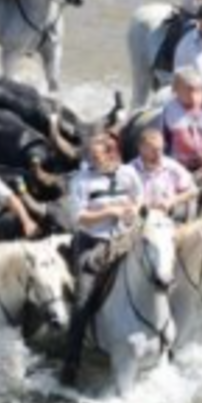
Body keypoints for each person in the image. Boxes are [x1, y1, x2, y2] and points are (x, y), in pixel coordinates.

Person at [61, 132, 142, 386]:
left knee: (159, 272)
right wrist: (109, 211)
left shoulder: (129, 173)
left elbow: (139, 197)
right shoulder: (80, 180)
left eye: (97, 156)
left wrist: (133, 210)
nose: (91, 160)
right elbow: (78, 218)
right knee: (82, 299)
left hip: (128, 237)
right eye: (90, 156)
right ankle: (71, 363)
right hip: (93, 243)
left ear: (112, 153)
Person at [130, 128, 197, 219]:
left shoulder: (171, 166)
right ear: (141, 149)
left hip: (168, 218)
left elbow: (193, 190)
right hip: (139, 220)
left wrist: (172, 200)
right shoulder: (129, 171)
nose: (158, 154)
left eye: (160, 149)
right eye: (153, 150)